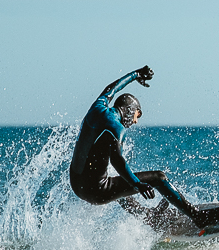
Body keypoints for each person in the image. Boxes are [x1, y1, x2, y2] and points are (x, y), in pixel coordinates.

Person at [68, 66, 200, 222]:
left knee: (119, 185)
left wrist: (136, 74)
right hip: (96, 191)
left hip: (76, 184)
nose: (135, 121)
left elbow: (111, 88)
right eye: (137, 115)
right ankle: (198, 217)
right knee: (159, 177)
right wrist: (138, 184)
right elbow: (117, 160)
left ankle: (147, 216)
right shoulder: (116, 128)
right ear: (129, 110)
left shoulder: (97, 107)